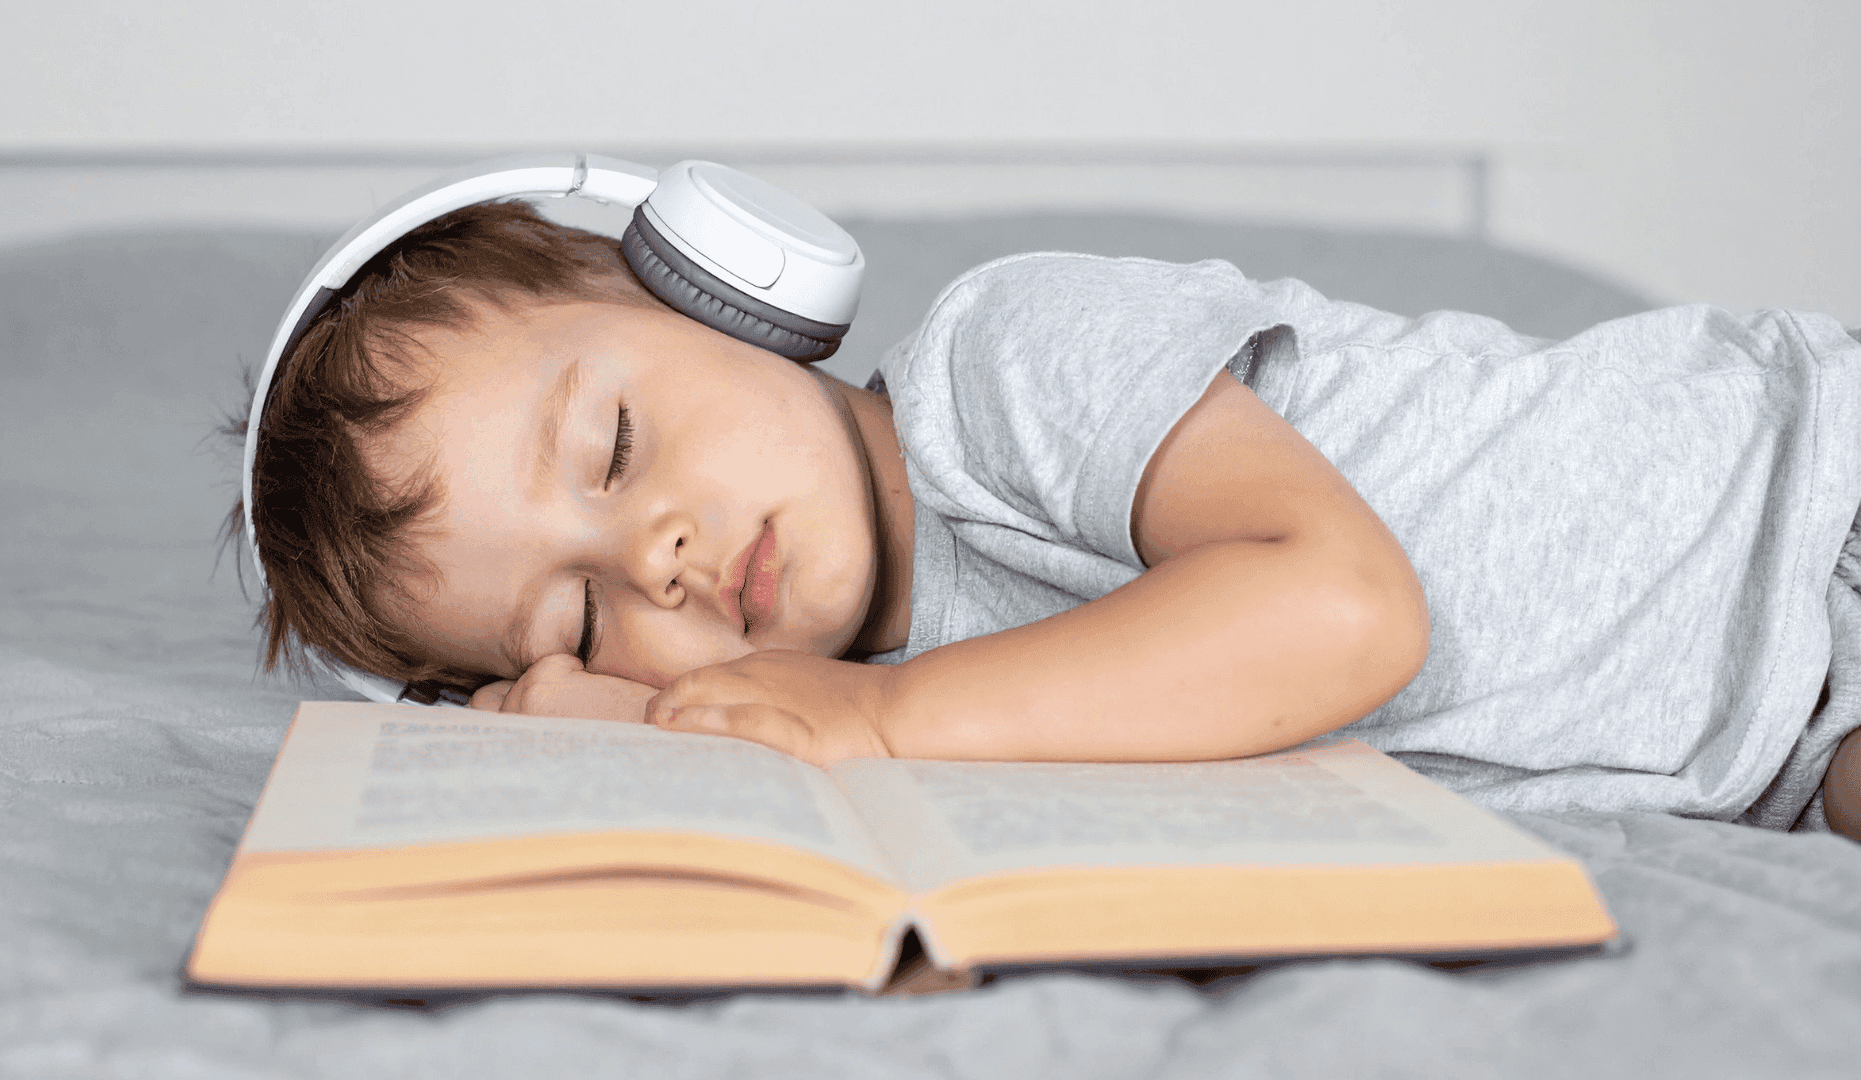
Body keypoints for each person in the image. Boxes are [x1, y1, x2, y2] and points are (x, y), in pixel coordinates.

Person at [237, 199, 1861, 839]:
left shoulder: (1001, 361)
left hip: (1808, 494)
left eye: (615, 442)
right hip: (1778, 754)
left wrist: (875, 716)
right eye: (580, 615)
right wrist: (634, 722)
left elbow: (1343, 616)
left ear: (725, 294)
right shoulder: (893, 721)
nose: (651, 554)